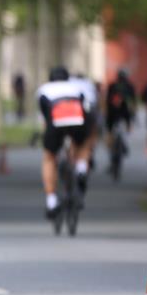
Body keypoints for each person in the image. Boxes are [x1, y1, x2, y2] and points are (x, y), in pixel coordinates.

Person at [36, 66, 98, 219]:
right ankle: (82, 168)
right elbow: (89, 109)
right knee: (83, 143)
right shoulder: (77, 87)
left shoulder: (44, 89)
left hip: (55, 121)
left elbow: (44, 117)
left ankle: (51, 201)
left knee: (49, 157)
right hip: (78, 119)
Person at [104, 68, 136, 157]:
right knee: (128, 127)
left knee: (109, 131)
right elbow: (133, 102)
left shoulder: (112, 85)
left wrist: (106, 112)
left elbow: (107, 101)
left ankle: (110, 148)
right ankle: (125, 143)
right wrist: (133, 115)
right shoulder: (129, 86)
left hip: (112, 111)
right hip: (125, 111)